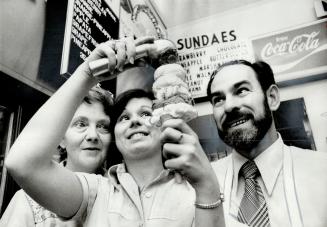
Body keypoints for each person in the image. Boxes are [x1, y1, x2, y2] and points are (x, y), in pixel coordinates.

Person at [4, 36, 225, 227]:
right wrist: (86, 74)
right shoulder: (95, 191)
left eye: (146, 114)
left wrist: (207, 186)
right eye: (124, 118)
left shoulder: (197, 189)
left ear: (164, 124)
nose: (135, 121)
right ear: (116, 138)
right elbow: (22, 164)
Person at [206, 59, 327, 227]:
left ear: (272, 98)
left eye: (241, 90)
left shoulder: (322, 172)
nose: (228, 106)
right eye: (218, 99)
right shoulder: (205, 182)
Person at [0, 85, 114, 226]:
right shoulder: (27, 200)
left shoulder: (122, 193)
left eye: (102, 126)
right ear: (61, 139)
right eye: (81, 124)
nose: (93, 135)